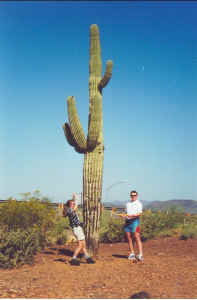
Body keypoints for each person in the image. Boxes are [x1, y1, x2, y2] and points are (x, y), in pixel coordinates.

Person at [63, 196, 95, 266]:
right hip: (76, 229)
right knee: (80, 245)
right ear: (69, 205)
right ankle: (73, 259)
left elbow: (75, 211)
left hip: (78, 228)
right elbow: (75, 208)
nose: (73, 205)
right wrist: (76, 199)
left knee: (83, 244)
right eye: (72, 204)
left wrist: (75, 199)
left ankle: (88, 258)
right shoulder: (69, 210)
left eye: (74, 204)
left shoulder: (71, 210)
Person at [123, 190, 143, 261]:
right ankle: (132, 253)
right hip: (127, 222)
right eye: (132, 195)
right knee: (129, 238)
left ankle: (140, 254)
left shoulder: (139, 204)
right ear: (130, 196)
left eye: (134, 195)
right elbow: (125, 213)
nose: (133, 196)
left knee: (137, 236)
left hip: (135, 222)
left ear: (137, 196)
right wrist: (124, 216)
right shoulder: (127, 203)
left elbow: (139, 213)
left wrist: (133, 216)